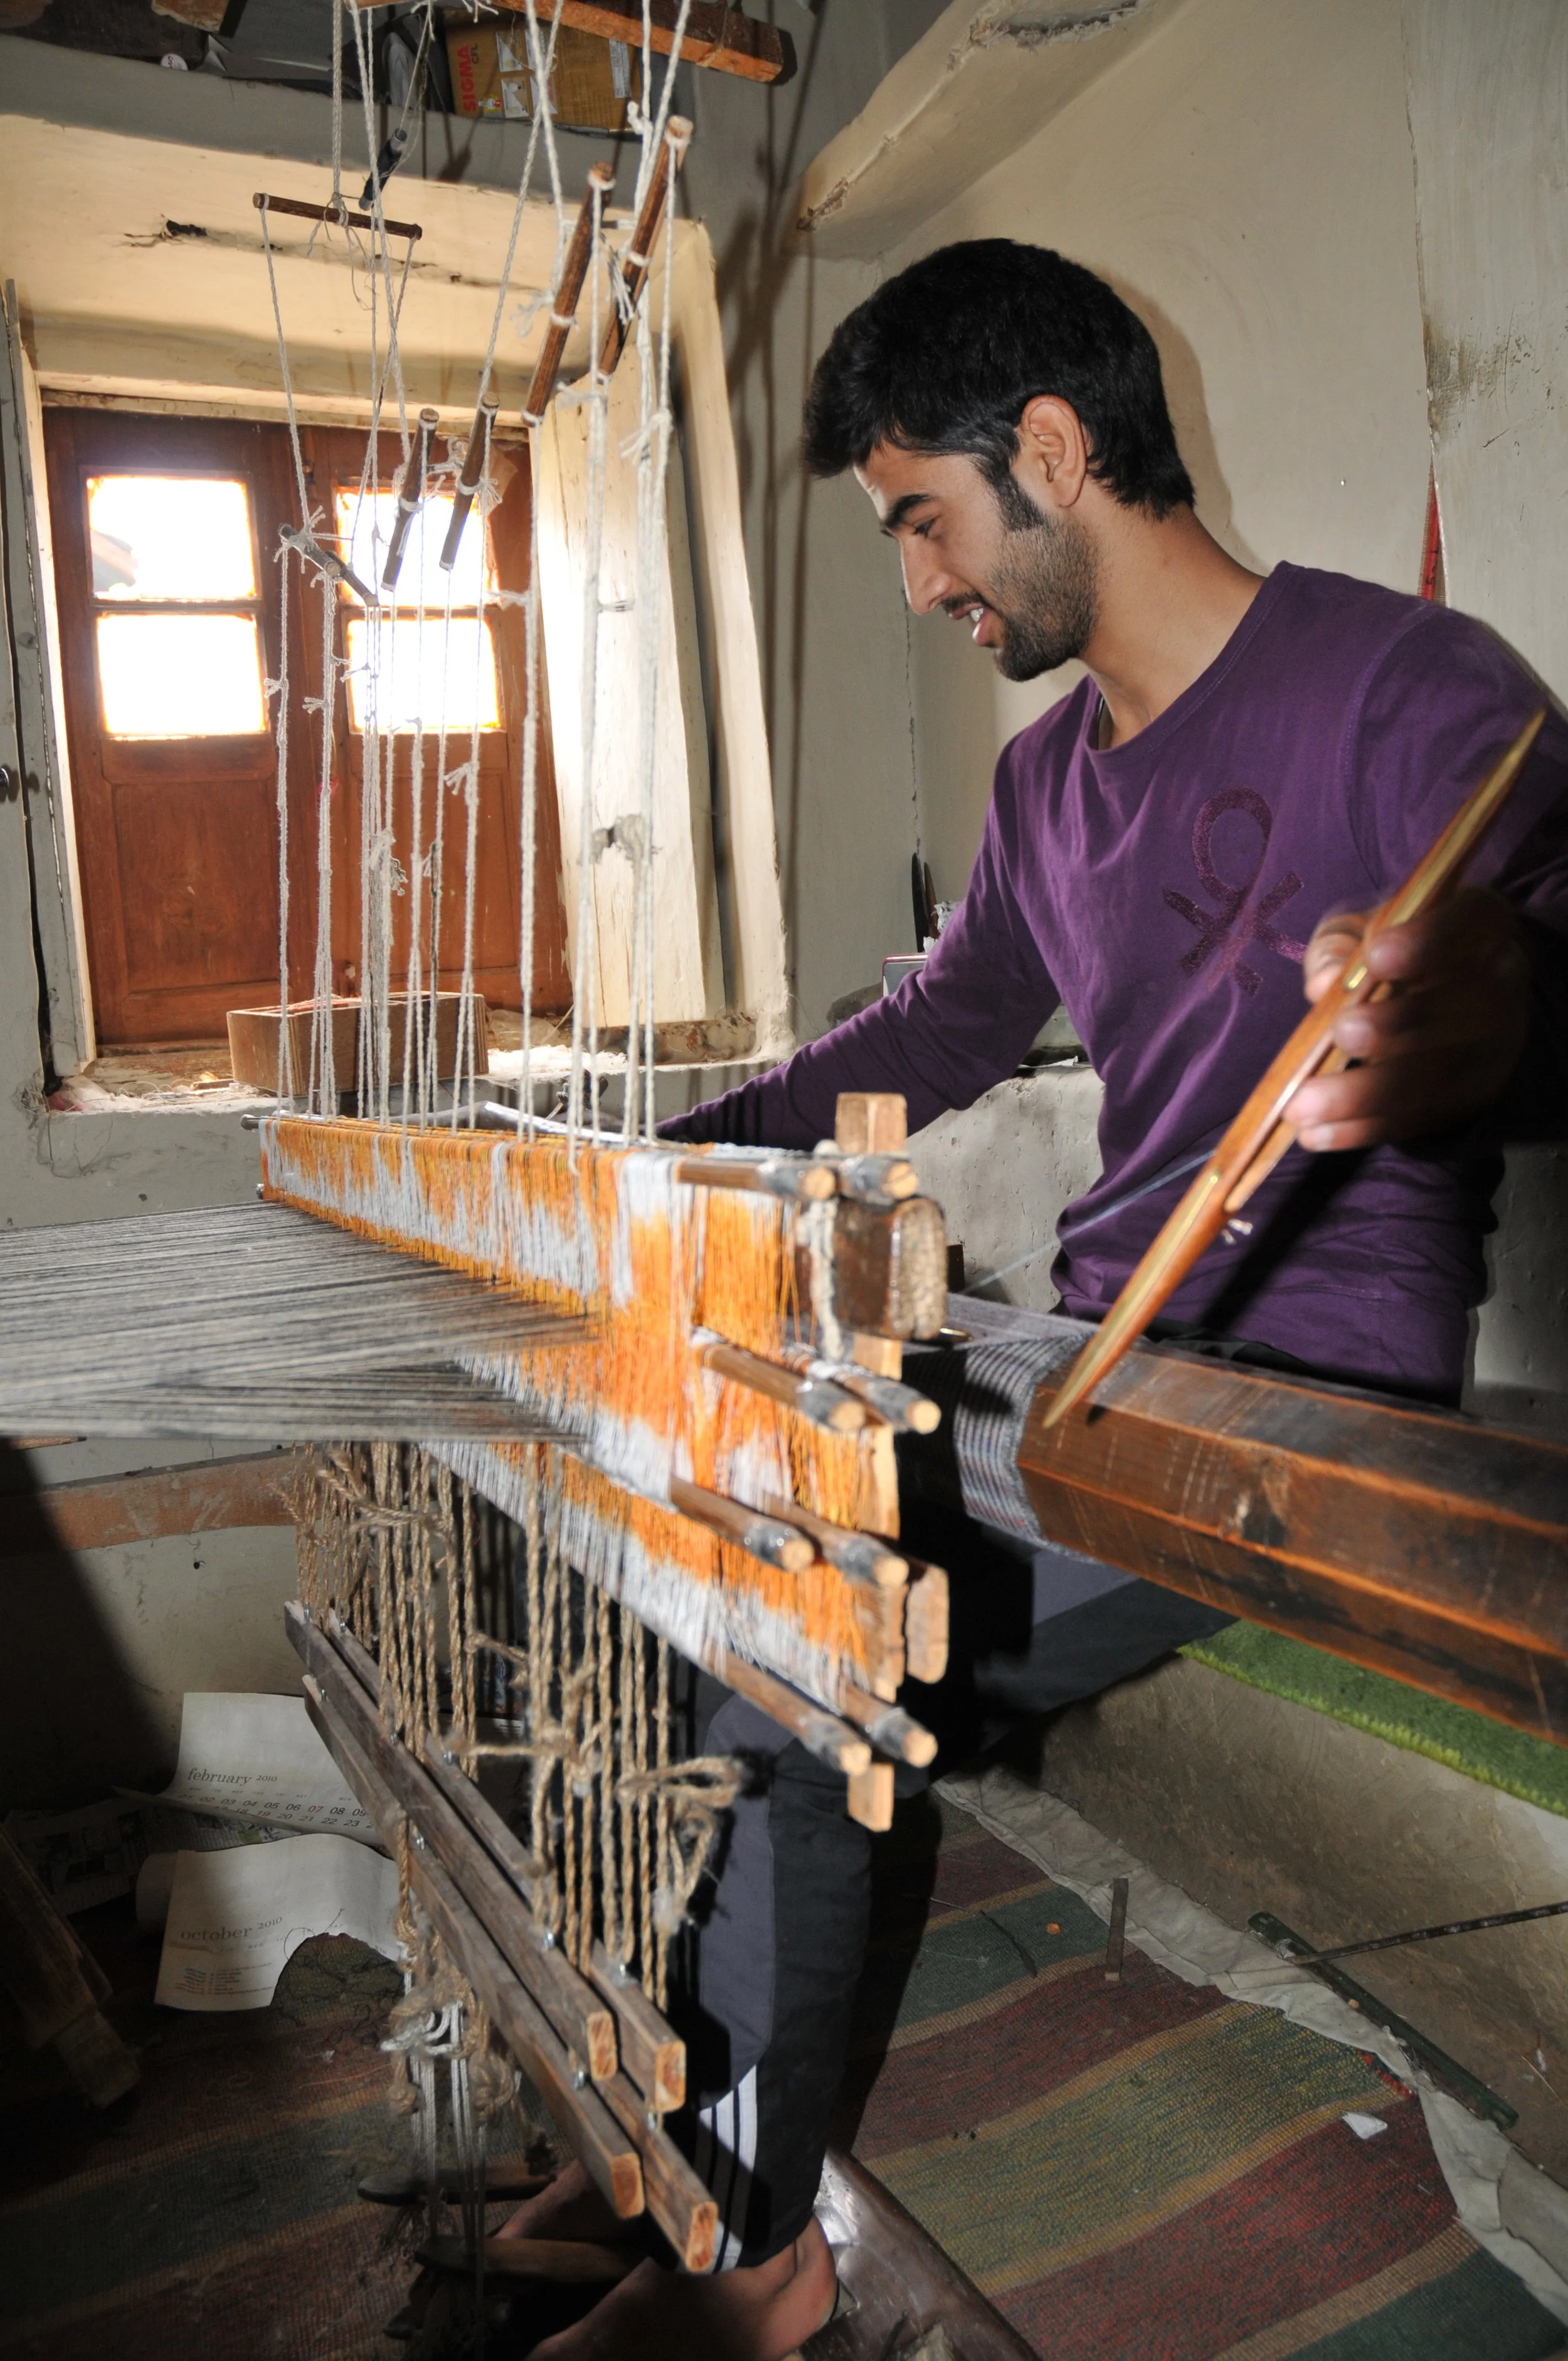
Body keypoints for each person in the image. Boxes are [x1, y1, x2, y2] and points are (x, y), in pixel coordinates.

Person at [516, 240, 1568, 2360]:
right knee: (678, 1510)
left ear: (1056, 454)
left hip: (1288, 1407)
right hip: (1072, 1363)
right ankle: (693, 2098)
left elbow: (1542, 963)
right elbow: (918, 1038)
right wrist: (652, 1150)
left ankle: (760, 2266)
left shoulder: (1411, 692)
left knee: (794, 1653)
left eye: (920, 515)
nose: (917, 579)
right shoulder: (1043, 787)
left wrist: (1474, 1027)